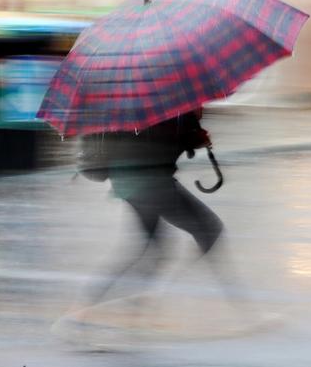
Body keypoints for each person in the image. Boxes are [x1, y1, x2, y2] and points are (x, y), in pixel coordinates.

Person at [78, 109, 239, 312]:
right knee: (209, 230)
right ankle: (238, 307)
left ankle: (99, 302)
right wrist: (192, 139)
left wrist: (191, 137)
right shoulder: (173, 105)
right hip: (150, 183)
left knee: (154, 249)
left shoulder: (141, 104)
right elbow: (160, 143)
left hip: (130, 182)